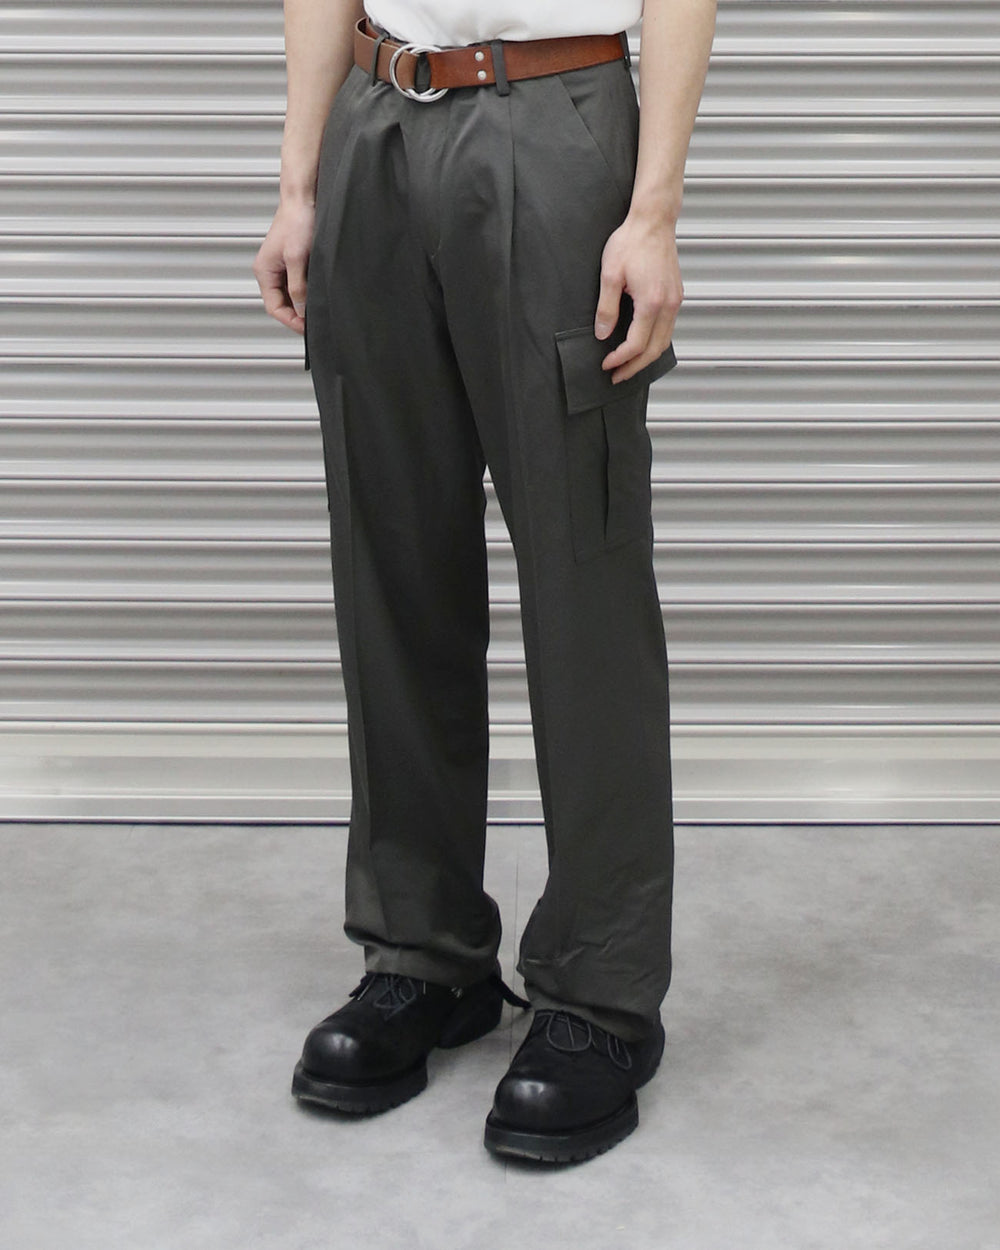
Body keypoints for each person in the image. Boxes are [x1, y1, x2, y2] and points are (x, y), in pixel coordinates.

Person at [254, 0, 716, 1164]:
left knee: (582, 582)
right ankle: (422, 952)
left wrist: (652, 211)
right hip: (374, 119)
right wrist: (300, 184)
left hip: (553, 119)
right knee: (391, 568)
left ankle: (600, 991)